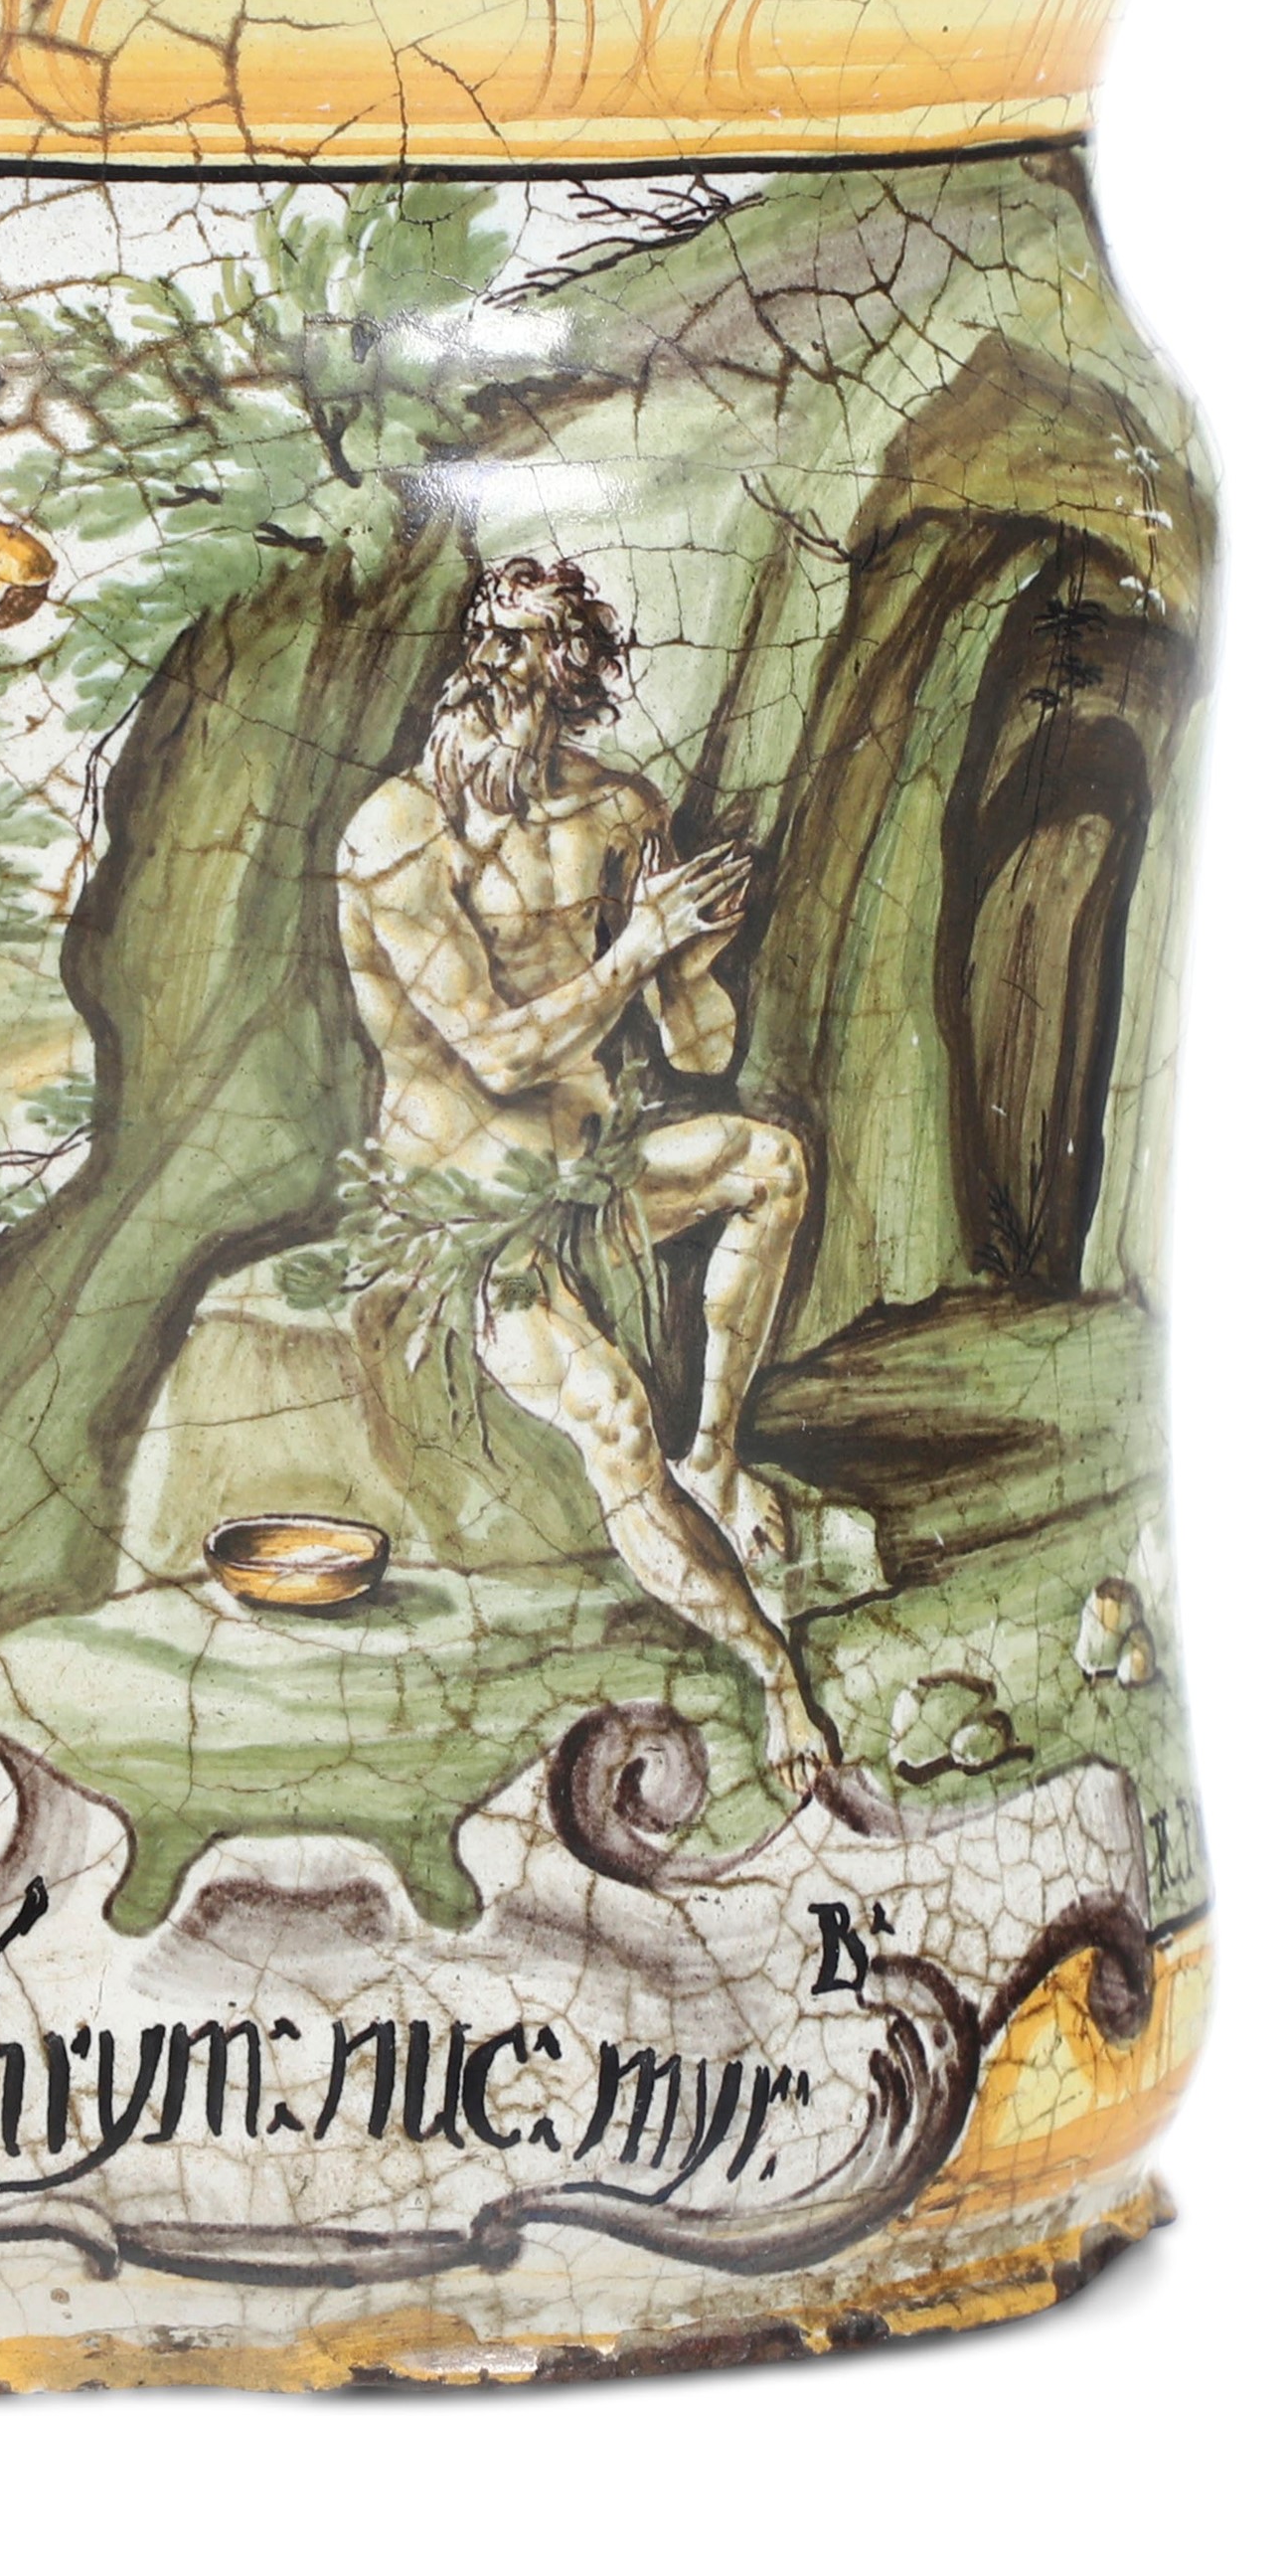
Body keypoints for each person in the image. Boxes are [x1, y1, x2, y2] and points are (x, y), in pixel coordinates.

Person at [333, 555, 851, 1801]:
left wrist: (692, 962)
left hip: (600, 1171)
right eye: (496, 687)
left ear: (573, 693)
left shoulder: (618, 813)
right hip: (474, 1220)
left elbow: (698, 1052)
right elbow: (497, 1054)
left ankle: (713, 1452)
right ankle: (770, 1668)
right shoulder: (396, 834)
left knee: (770, 1163)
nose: (511, 724)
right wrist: (637, 949)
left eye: (542, 696)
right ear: (466, 678)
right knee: (613, 1415)